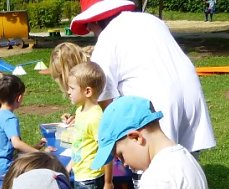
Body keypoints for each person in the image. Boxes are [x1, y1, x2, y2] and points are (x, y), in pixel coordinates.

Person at [70, 0, 216, 155]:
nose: (88, 28)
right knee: (186, 162)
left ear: (98, 19)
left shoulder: (107, 37)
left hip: (156, 103)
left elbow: (104, 95)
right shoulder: (151, 20)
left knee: (156, 165)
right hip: (190, 94)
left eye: (89, 23)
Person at [65, 61, 114, 189]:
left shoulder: (96, 117)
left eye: (71, 88)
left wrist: (108, 181)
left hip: (91, 180)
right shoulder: (80, 112)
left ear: (87, 91)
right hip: (82, 175)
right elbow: (81, 146)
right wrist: (69, 166)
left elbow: (107, 149)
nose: (67, 92)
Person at [0, 74, 44, 189]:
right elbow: (16, 144)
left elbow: (6, 146)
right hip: (6, 170)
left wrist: (34, 146)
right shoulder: (10, 118)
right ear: (19, 98)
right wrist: (40, 154)